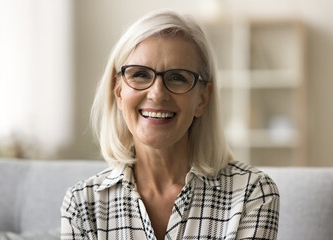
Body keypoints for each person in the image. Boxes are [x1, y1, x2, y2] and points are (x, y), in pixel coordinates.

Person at [61, 9, 279, 240]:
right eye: (140, 74)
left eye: (177, 77)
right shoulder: (82, 204)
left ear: (202, 99)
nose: (157, 94)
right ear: (118, 92)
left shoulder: (253, 193)